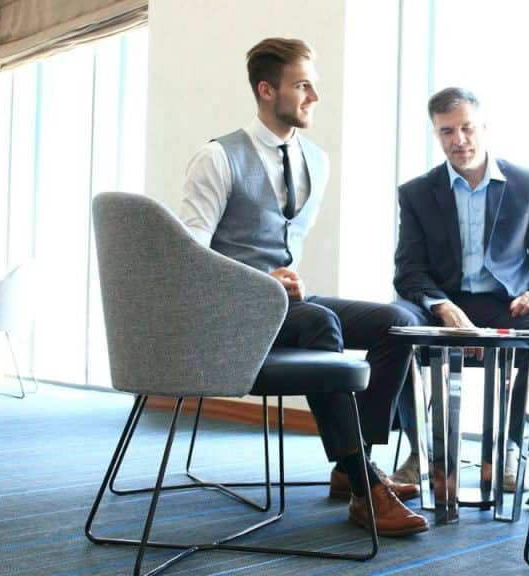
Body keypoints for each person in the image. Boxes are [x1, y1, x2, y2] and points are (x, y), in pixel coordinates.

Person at [179, 37, 427, 536]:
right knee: (319, 322)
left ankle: (353, 464)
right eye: (302, 86)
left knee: (399, 321)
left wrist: (283, 281)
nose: (314, 97)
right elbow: (190, 259)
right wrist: (260, 281)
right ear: (267, 90)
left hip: (286, 303)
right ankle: (365, 489)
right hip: (235, 309)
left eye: (314, 86)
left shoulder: (317, 160)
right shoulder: (217, 158)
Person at [391, 87, 529, 491]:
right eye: (447, 131)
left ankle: (511, 446)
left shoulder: (525, 182)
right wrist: (441, 306)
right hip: (443, 301)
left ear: (483, 127)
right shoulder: (417, 193)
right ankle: (422, 449)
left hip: (505, 303)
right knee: (396, 325)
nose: (459, 140)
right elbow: (408, 270)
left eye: (467, 128)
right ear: (436, 134)